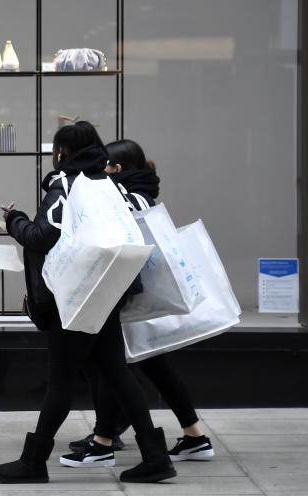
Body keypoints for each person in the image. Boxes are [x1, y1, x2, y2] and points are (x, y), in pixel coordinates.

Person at [0, 122, 175, 484]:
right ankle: (155, 456)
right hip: (107, 288)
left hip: (72, 295)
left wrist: (14, 220)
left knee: (60, 380)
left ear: (63, 152)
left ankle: (33, 462)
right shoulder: (107, 183)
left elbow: (42, 237)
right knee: (117, 372)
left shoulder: (66, 184)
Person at [62, 139, 214, 467]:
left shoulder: (132, 197)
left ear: (117, 169)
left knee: (118, 367)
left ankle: (104, 440)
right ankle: (193, 435)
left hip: (135, 296)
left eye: (103, 167)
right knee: (146, 368)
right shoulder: (138, 191)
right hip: (136, 295)